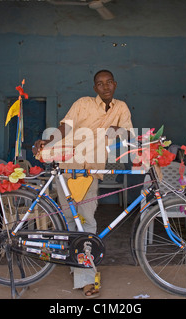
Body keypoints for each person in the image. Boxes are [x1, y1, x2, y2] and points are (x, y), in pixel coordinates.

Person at [33, 70, 133, 298]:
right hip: (68, 166)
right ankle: (81, 269)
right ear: (95, 88)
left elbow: (127, 133)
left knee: (86, 221)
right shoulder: (82, 103)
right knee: (70, 220)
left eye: (109, 82)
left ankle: (84, 275)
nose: (105, 87)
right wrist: (47, 142)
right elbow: (65, 128)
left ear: (115, 84)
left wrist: (114, 130)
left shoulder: (121, 108)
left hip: (91, 170)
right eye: (100, 84)